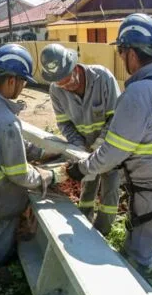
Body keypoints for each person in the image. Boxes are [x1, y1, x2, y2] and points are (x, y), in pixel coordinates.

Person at [65, 14, 152, 271]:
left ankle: (145, 294)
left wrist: (80, 169)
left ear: (131, 53)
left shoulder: (138, 94)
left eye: (121, 51)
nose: (121, 57)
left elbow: (111, 153)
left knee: (136, 258)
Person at [0, 43, 59, 267]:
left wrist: (41, 152)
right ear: (12, 80)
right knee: (1, 256)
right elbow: (20, 175)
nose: (23, 87)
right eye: (23, 81)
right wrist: (48, 177)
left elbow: (2, 143)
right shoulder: (6, 122)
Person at [40, 43, 121, 235]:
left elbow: (116, 118)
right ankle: (84, 227)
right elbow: (65, 124)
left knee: (110, 192)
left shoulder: (102, 78)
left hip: (109, 146)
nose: (67, 87)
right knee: (87, 188)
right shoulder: (56, 90)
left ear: (75, 67)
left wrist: (99, 144)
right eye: (61, 84)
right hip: (83, 150)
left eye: (68, 81)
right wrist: (78, 147)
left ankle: (103, 233)